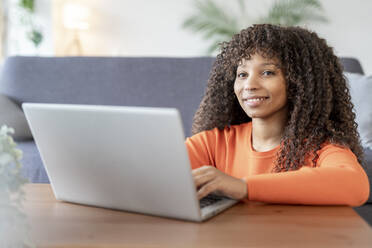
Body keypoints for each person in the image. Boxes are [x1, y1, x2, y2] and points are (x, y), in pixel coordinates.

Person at [185, 24, 370, 206]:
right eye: (242, 74)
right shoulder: (213, 143)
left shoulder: (319, 148)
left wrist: (243, 187)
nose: (249, 85)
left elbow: (355, 185)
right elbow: (161, 177)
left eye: (267, 72)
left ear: (299, 84)